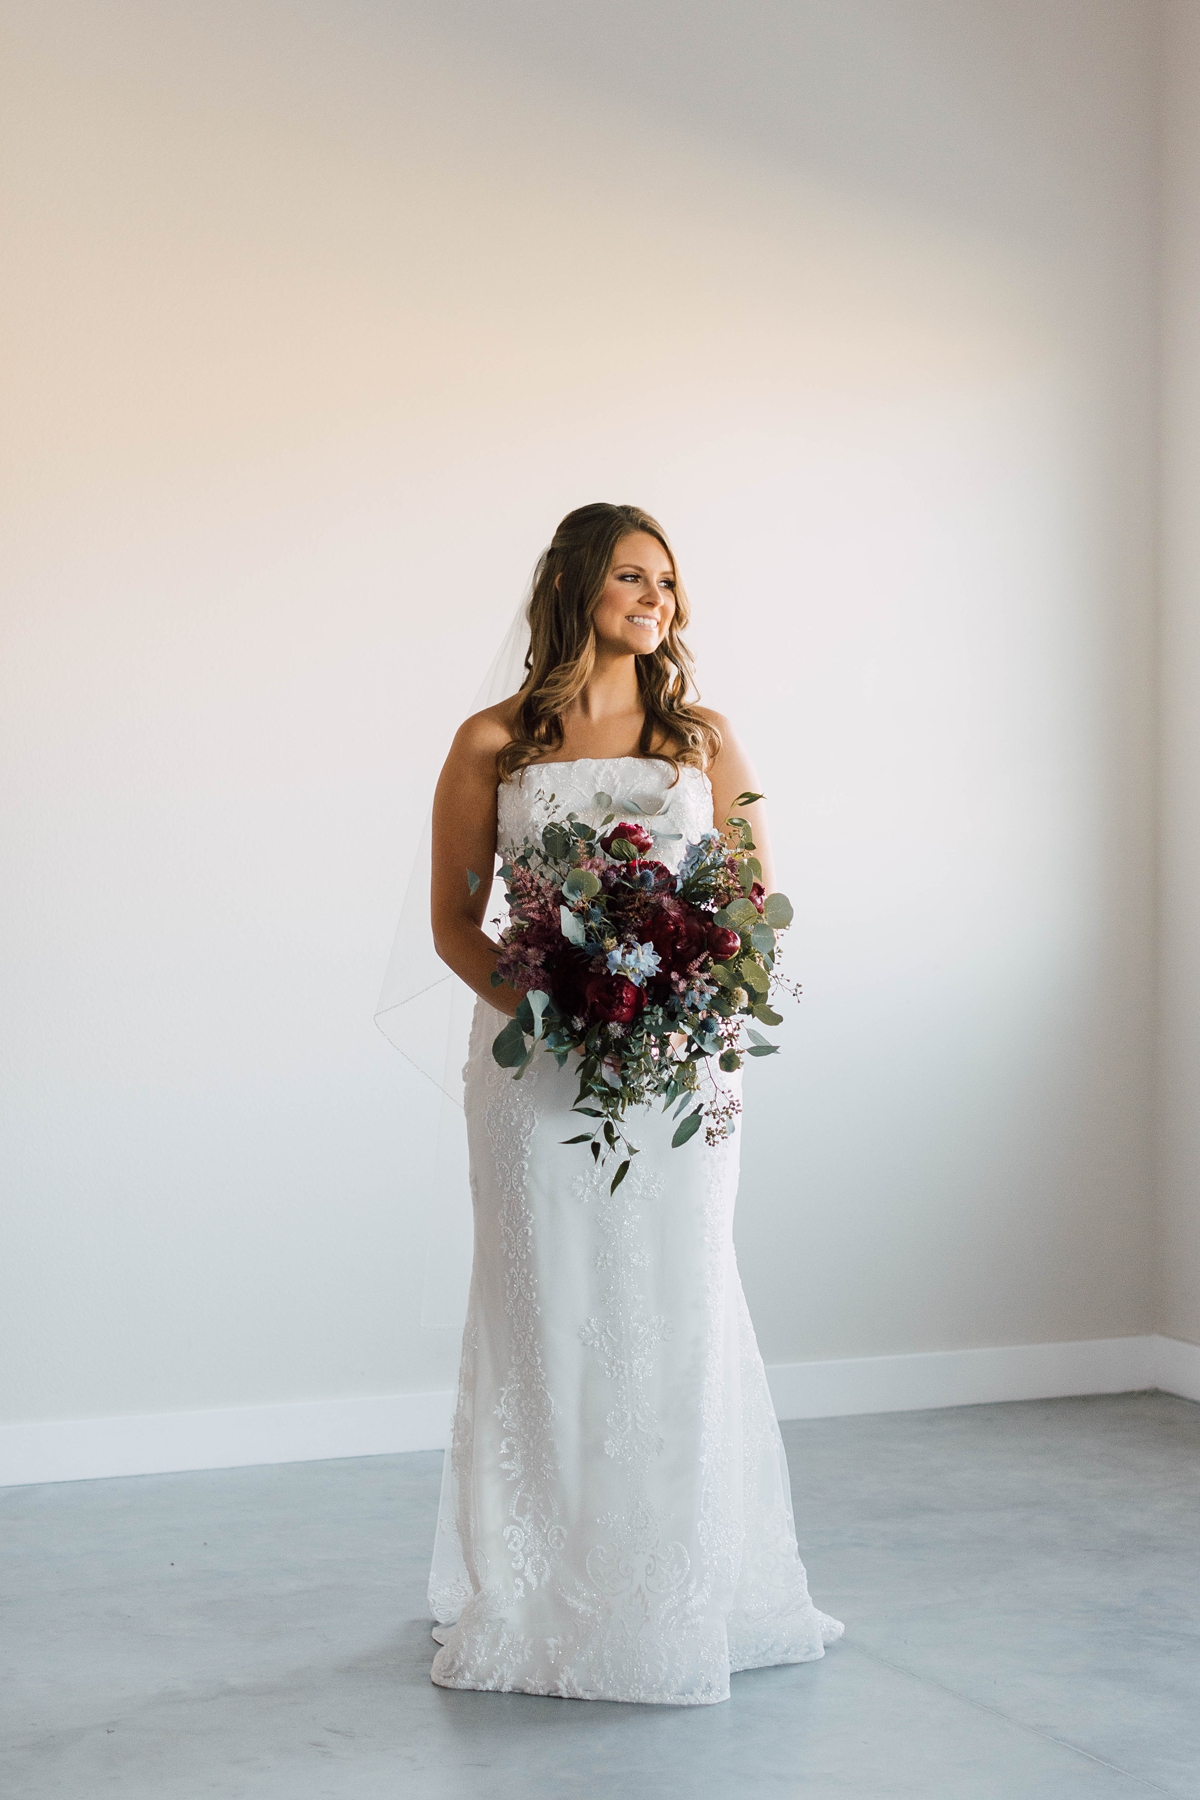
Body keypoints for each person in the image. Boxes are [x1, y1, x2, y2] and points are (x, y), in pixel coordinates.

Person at [424, 502, 843, 1705]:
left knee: (676, 1295)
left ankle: (680, 1585)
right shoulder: (492, 742)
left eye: (665, 579)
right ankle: (544, 1588)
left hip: (679, 1073)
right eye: (627, 576)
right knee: (546, 1301)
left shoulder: (703, 740)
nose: (653, 598)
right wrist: (556, 1005)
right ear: (572, 589)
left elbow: (753, 900)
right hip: (535, 1061)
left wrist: (667, 1009)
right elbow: (458, 920)